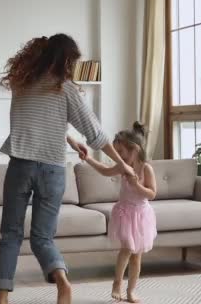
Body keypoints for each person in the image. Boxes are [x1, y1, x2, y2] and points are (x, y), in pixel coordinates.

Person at [0, 33, 135, 304]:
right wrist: (121, 164)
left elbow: (37, 123)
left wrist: (70, 139)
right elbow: (97, 134)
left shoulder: (21, 83)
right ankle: (63, 282)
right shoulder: (65, 88)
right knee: (42, 237)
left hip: (21, 166)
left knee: (10, 233)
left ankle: (1, 299)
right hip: (52, 170)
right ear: (66, 60)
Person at [81, 122, 157, 303]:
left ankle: (131, 291)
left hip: (141, 215)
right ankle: (117, 283)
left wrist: (136, 185)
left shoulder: (146, 168)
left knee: (136, 257)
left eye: (120, 152)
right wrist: (88, 158)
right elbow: (105, 171)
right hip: (125, 213)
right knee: (127, 249)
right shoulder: (123, 167)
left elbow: (152, 193)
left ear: (134, 150)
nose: (118, 157)